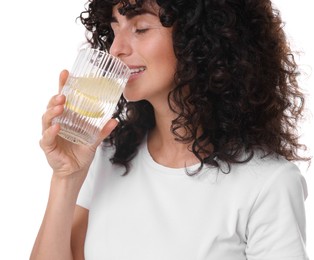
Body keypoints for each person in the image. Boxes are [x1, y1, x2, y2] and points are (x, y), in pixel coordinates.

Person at [30, 0, 311, 259]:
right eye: (115, 28)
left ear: (200, 39)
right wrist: (66, 177)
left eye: (140, 28)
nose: (116, 49)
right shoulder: (106, 155)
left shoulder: (267, 184)